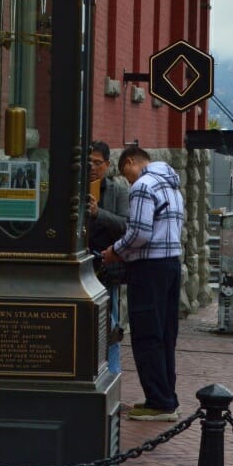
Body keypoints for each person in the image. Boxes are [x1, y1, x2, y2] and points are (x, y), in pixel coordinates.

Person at [101, 146, 184, 421]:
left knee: (147, 334)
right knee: (165, 334)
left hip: (148, 268)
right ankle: (167, 396)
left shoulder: (143, 185)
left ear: (130, 162)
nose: (127, 180)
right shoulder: (172, 185)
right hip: (171, 264)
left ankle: (158, 402)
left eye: (125, 172)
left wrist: (115, 250)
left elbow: (139, 232)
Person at [86, 141, 130, 376]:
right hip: (81, 265)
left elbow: (126, 226)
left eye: (97, 162)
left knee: (110, 322)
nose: (92, 167)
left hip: (106, 265)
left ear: (107, 165)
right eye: (88, 162)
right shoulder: (75, 188)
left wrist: (98, 213)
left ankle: (113, 373)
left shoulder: (118, 191)